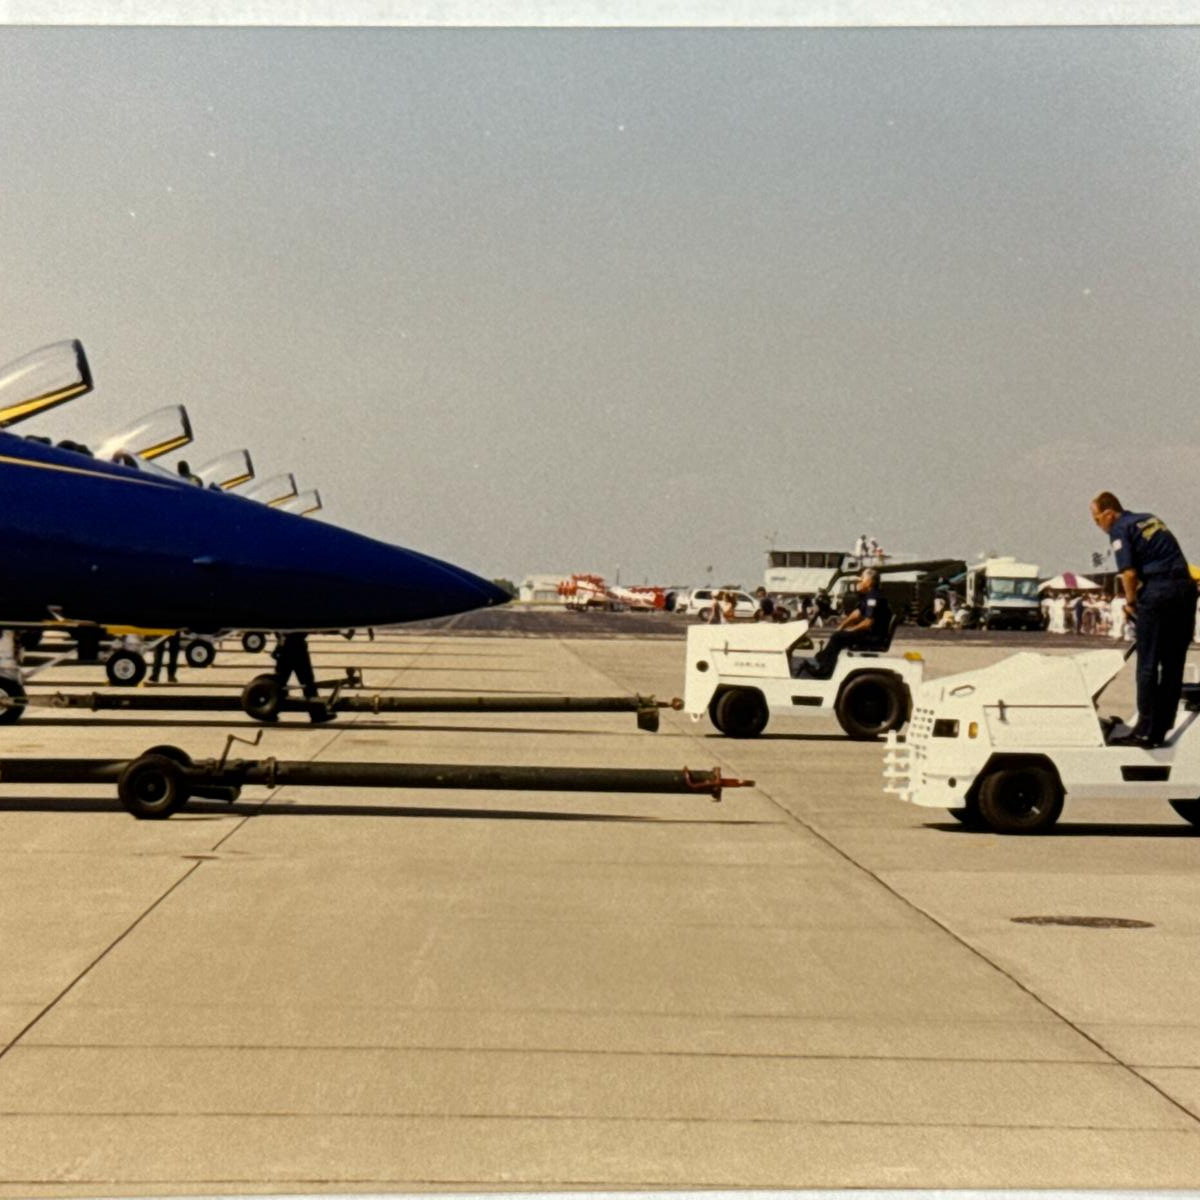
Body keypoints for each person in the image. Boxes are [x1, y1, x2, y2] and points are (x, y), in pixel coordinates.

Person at [1091, 491, 1197, 747]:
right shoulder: (1149, 518)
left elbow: (1128, 574)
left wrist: (1130, 602)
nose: (1098, 525)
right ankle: (1161, 728)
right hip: (1185, 591)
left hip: (1158, 591)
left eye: (1097, 519)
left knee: (1148, 663)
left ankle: (1144, 730)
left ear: (1109, 513)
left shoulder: (1120, 528)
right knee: (1172, 665)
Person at [793, 568, 892, 678]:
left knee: (837, 637)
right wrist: (842, 625)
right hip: (871, 634)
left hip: (874, 637)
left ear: (870, 581)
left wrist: (851, 630)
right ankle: (823, 660)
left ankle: (824, 670)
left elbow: (868, 622)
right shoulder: (869, 595)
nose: (859, 582)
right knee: (838, 634)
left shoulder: (874, 597)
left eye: (862, 579)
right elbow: (857, 613)